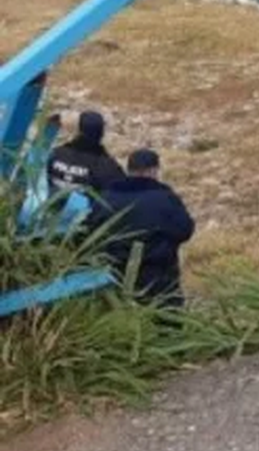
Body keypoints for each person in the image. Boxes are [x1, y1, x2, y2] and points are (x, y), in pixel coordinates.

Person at [88, 149, 196, 308]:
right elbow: (185, 230)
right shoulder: (164, 197)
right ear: (153, 170)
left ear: (129, 170)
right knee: (168, 325)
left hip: (115, 277)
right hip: (157, 278)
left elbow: (91, 229)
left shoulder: (107, 196)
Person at [46, 110, 125, 193]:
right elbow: (122, 192)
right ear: (101, 133)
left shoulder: (56, 154)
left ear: (79, 130)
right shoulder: (106, 165)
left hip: (52, 204)